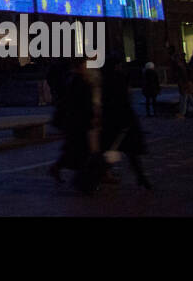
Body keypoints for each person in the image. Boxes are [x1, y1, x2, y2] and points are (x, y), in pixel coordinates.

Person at [100, 57, 152, 189]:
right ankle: (140, 177)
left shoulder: (105, 80)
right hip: (124, 118)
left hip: (112, 119)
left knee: (113, 149)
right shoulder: (119, 78)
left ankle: (100, 175)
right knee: (129, 151)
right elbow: (126, 97)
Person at [48, 59, 99, 192]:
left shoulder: (75, 80)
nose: (86, 67)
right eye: (85, 65)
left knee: (74, 150)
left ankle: (58, 169)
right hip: (78, 122)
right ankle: (82, 181)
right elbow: (78, 103)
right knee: (82, 151)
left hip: (76, 122)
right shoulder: (77, 81)